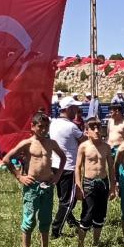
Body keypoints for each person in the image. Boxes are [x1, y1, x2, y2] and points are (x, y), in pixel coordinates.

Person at [3, 112, 65, 247]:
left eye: (46, 127)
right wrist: (19, 176)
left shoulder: (51, 143)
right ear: (33, 127)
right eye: (40, 126)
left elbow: (63, 158)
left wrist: (57, 176)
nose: (44, 130)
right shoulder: (28, 143)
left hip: (47, 185)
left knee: (45, 218)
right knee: (29, 219)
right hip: (32, 186)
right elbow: (6, 159)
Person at [73, 117, 116, 247]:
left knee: (100, 214)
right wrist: (78, 186)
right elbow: (78, 167)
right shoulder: (84, 147)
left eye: (98, 127)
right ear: (86, 131)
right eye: (93, 128)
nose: (97, 130)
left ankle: (96, 244)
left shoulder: (106, 147)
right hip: (89, 183)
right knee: (87, 214)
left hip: (103, 183)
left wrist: (113, 187)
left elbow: (111, 167)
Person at [49, 96, 86, 238]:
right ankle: (56, 230)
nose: (77, 110)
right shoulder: (71, 127)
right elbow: (84, 141)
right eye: (75, 108)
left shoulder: (53, 123)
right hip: (69, 167)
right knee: (69, 201)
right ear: (69, 109)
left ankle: (70, 221)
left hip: (55, 165)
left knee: (62, 197)